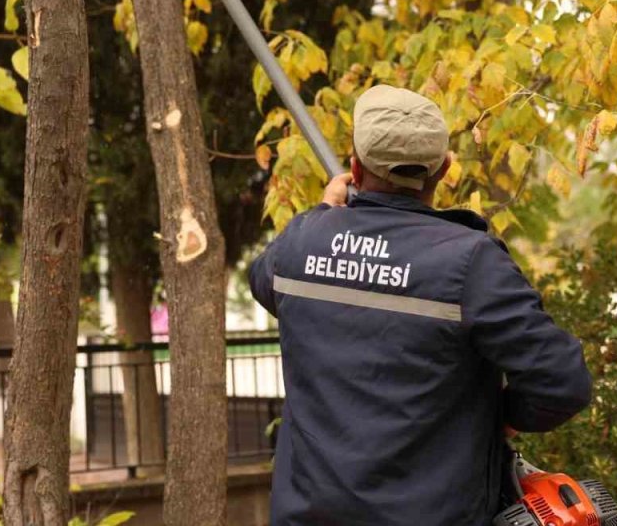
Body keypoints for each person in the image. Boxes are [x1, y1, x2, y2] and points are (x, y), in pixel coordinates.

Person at [249, 85, 592, 526]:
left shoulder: (301, 242)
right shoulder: (469, 261)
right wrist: (501, 419)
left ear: (354, 166)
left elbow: (263, 281)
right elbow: (562, 382)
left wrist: (323, 211)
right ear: (445, 169)